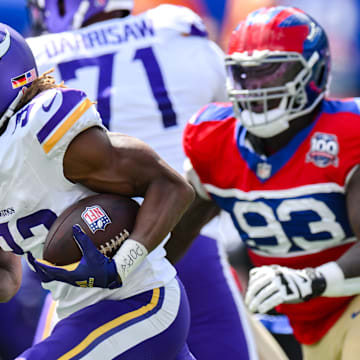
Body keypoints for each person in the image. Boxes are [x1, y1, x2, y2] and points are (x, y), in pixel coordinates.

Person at [25, 1, 288, 359]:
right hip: (190, 239)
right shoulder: (176, 29)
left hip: (87, 257)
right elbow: (238, 126)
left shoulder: (36, 59)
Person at [168, 5, 360, 360]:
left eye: (272, 72)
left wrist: (311, 279)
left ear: (314, 72)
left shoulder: (347, 133)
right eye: (246, 74)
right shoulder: (214, 139)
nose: (256, 87)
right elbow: (173, 238)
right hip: (297, 319)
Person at [0, 22, 196, 360]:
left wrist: (122, 262)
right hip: (77, 317)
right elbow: (7, 279)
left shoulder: (36, 132)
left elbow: (172, 185)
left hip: (139, 301)